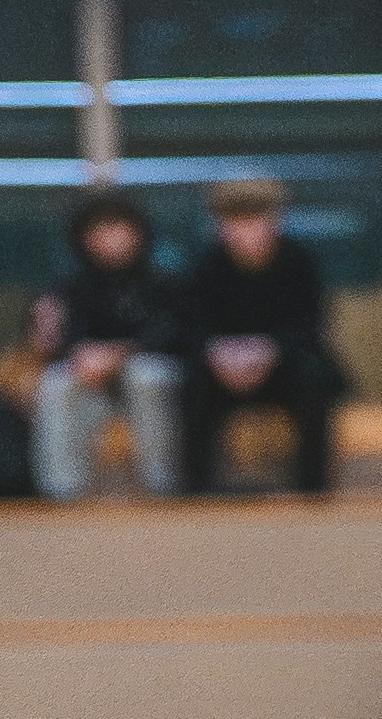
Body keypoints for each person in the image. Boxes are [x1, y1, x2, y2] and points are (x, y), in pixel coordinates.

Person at [175, 176, 344, 498]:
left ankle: (313, 490)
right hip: (220, 369)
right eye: (234, 222)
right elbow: (190, 325)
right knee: (191, 385)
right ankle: (196, 490)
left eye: (253, 220)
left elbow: (311, 324)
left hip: (283, 367)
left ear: (273, 221)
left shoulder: (299, 260)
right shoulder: (205, 264)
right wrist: (218, 353)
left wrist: (270, 350)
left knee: (314, 380)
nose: (245, 231)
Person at [27, 194, 180, 502]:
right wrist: (67, 348)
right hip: (91, 378)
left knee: (146, 376)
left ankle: (161, 488)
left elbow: (174, 333)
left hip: (145, 374)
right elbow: (56, 339)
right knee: (56, 383)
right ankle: (63, 492)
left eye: (118, 229)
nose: (111, 239)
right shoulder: (69, 283)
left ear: (137, 232)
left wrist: (119, 353)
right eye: (101, 230)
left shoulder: (161, 279)